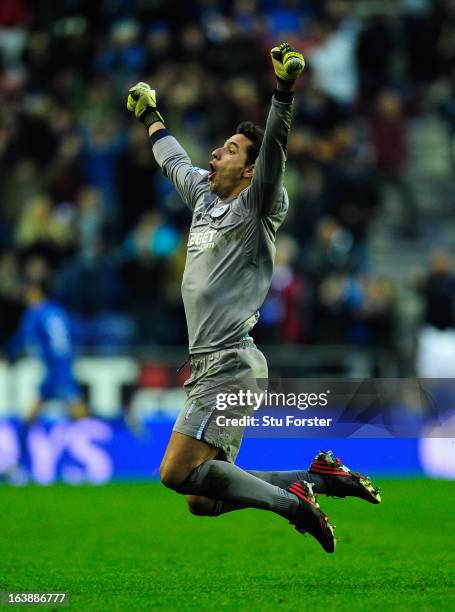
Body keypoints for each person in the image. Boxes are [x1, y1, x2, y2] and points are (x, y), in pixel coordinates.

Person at [127, 42, 380, 553]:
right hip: (213, 364)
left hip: (228, 363)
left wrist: (283, 91)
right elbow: (173, 160)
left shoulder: (255, 206)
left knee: (174, 473)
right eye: (219, 147)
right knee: (204, 496)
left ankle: (295, 502)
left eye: (231, 150)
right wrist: (150, 115)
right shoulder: (204, 195)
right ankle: (321, 479)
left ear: (249, 171)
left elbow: (276, 151)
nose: (216, 153)